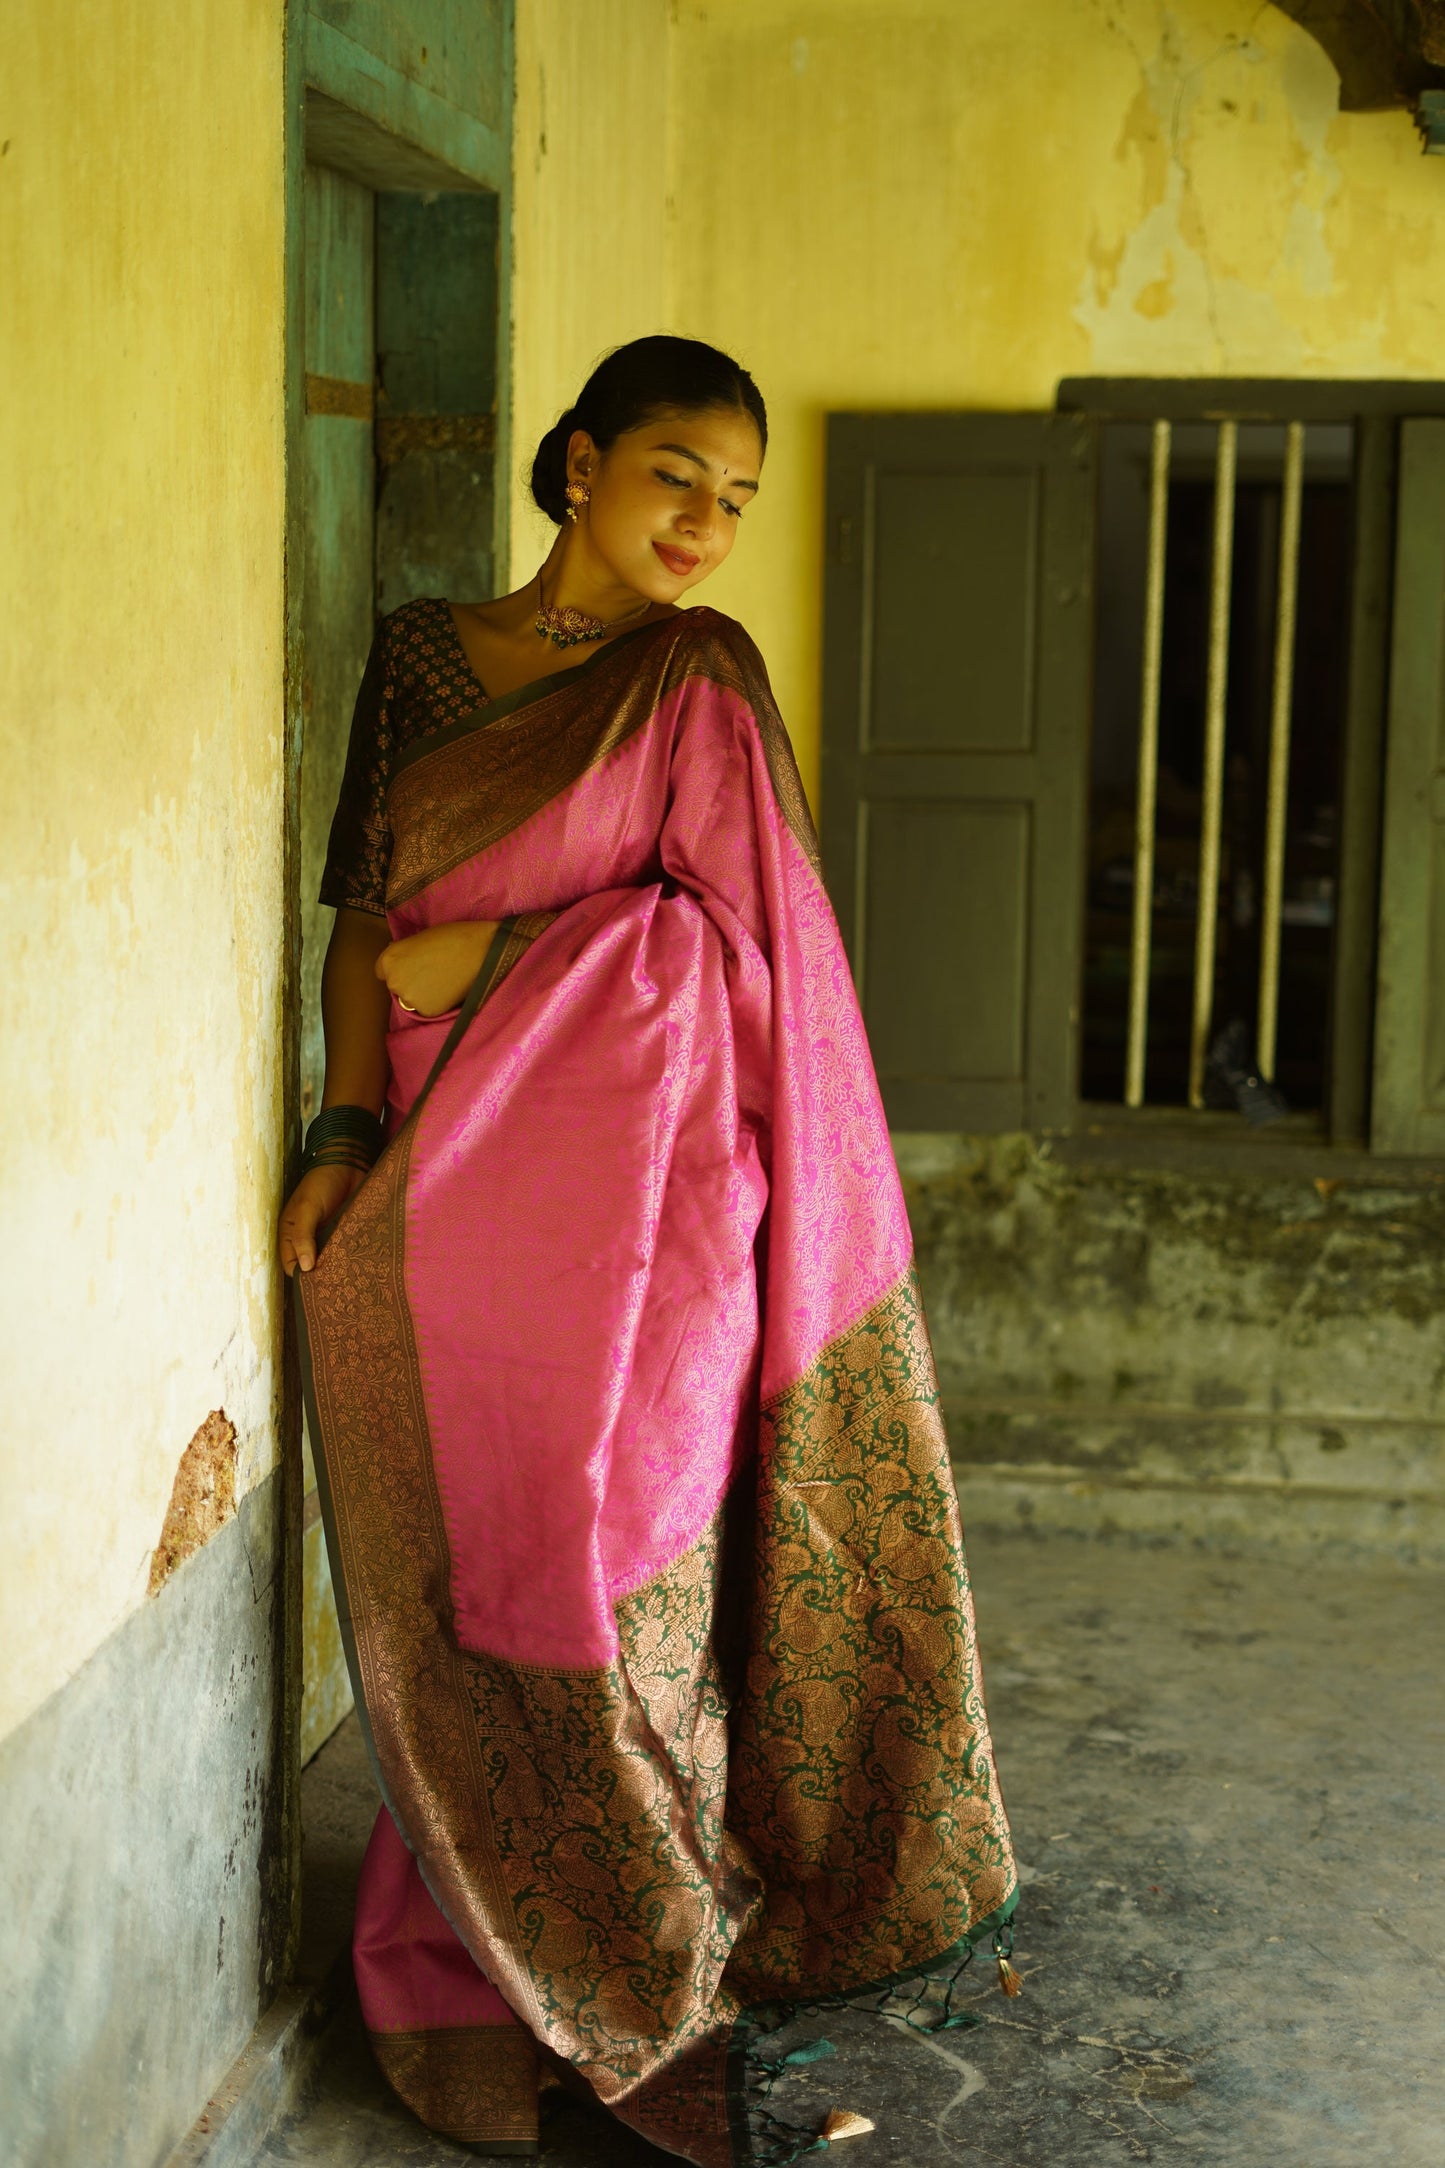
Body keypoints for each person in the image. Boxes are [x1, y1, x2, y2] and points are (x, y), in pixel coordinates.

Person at [280, 335, 1017, 2165]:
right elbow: (365, 902)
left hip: (651, 1202)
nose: (708, 522)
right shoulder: (424, 653)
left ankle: (639, 1968)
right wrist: (341, 1123)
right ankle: (480, 1975)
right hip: (446, 1189)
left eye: (741, 500)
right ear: (580, 463)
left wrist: (519, 960)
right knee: (474, 1579)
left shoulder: (701, 676)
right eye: (679, 473)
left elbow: (752, 950)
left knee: (615, 1581)